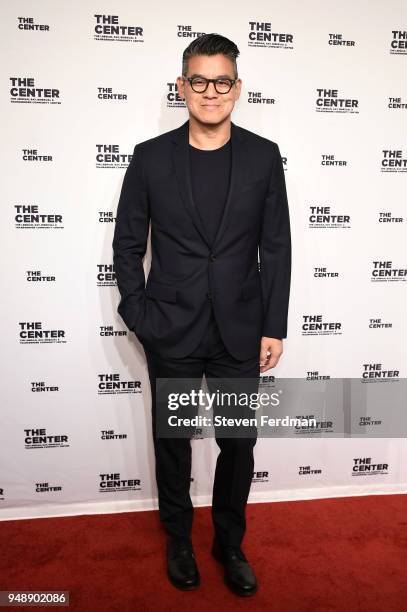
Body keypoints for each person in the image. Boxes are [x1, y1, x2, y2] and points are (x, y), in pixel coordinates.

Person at [112, 33, 291, 597]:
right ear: (181, 86)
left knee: (239, 442)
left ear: (236, 88)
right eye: (198, 81)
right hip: (172, 328)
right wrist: (140, 314)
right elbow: (126, 245)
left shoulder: (264, 155)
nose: (209, 92)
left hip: (240, 330)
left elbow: (277, 246)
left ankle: (229, 542)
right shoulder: (149, 157)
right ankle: (179, 539)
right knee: (174, 440)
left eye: (221, 81)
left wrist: (274, 324)